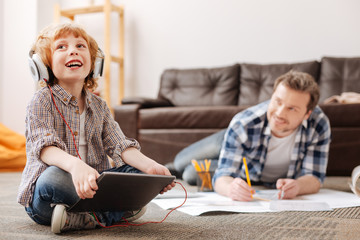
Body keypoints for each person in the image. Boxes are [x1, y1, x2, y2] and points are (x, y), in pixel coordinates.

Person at [17, 23, 174, 234]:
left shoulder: (99, 106)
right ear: (43, 65)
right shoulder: (41, 101)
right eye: (61, 47)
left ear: (94, 62)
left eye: (80, 46)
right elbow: (45, 148)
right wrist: (75, 167)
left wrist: (150, 167)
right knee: (51, 177)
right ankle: (115, 212)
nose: (73, 50)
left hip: (93, 189)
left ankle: (85, 218)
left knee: (137, 173)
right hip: (52, 197)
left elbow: (120, 145)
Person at [174, 71, 331, 201]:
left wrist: (298, 186)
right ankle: (170, 167)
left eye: (292, 109)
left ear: (307, 114)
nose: (279, 113)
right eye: (277, 101)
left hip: (249, 170)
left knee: (190, 174)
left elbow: (314, 178)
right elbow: (224, 175)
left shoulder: (319, 125)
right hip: (236, 139)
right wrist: (230, 190)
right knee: (179, 163)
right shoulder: (243, 124)